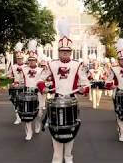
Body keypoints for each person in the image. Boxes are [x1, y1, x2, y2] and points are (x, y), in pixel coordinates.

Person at [37, 20, 90, 163]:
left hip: (72, 101)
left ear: (70, 52)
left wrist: (83, 89)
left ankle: (68, 156)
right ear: (58, 51)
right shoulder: (52, 64)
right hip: (56, 101)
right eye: (62, 51)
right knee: (56, 128)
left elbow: (86, 84)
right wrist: (44, 88)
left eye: (67, 51)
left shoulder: (77, 65)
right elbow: (40, 80)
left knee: (70, 129)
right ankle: (57, 157)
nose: (65, 54)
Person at [19, 40, 45, 140]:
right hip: (27, 94)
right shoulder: (24, 69)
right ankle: (29, 132)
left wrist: (43, 87)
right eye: (30, 60)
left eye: (33, 60)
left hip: (38, 93)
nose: (31, 61)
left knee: (39, 114)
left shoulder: (41, 69)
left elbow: (42, 80)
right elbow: (21, 79)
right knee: (27, 113)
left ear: (36, 60)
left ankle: (38, 123)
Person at [7, 42, 25, 125]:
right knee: (15, 102)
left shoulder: (26, 66)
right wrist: (10, 76)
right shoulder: (13, 66)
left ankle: (23, 115)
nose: (19, 60)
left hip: (25, 86)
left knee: (25, 101)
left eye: (21, 58)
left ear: (23, 58)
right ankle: (17, 117)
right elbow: (9, 74)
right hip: (16, 86)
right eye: (18, 58)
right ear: (16, 59)